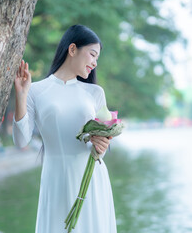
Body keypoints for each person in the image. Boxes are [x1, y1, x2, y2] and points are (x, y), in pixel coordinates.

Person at [12, 25, 117, 233]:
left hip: (92, 180)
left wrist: (102, 144)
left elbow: (100, 148)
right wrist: (21, 96)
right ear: (72, 49)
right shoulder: (36, 91)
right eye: (92, 55)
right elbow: (21, 141)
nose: (95, 63)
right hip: (56, 179)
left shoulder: (95, 92)